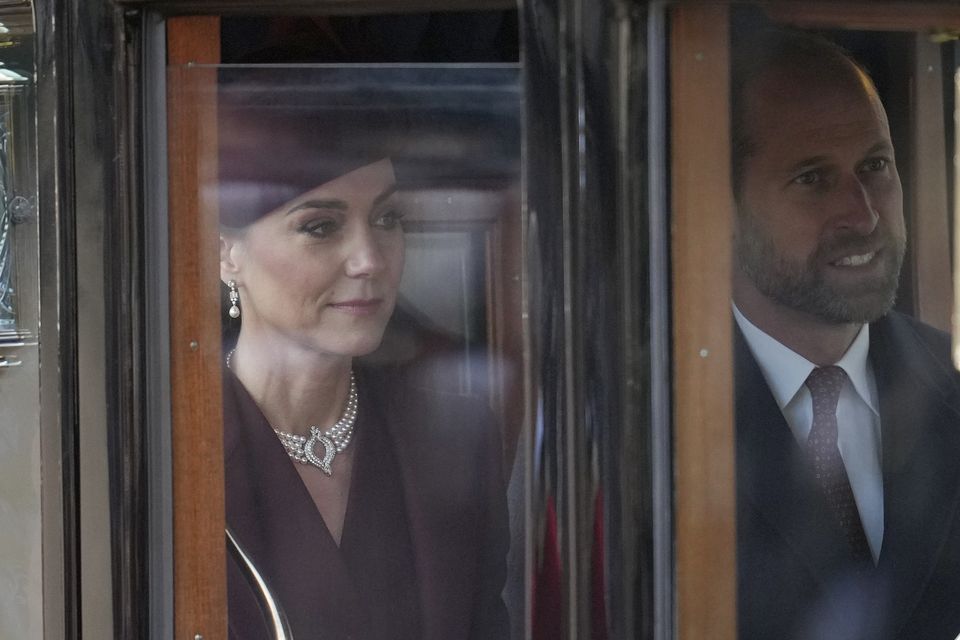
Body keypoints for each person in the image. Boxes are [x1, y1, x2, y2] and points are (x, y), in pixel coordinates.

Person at [216, 74, 510, 640]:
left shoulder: (457, 435)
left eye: (386, 219)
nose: (369, 259)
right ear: (226, 252)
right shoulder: (174, 454)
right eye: (320, 227)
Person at [730, 30, 960, 639]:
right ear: (721, 208)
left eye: (875, 166)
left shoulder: (948, 385)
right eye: (812, 178)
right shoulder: (646, 420)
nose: (862, 215)